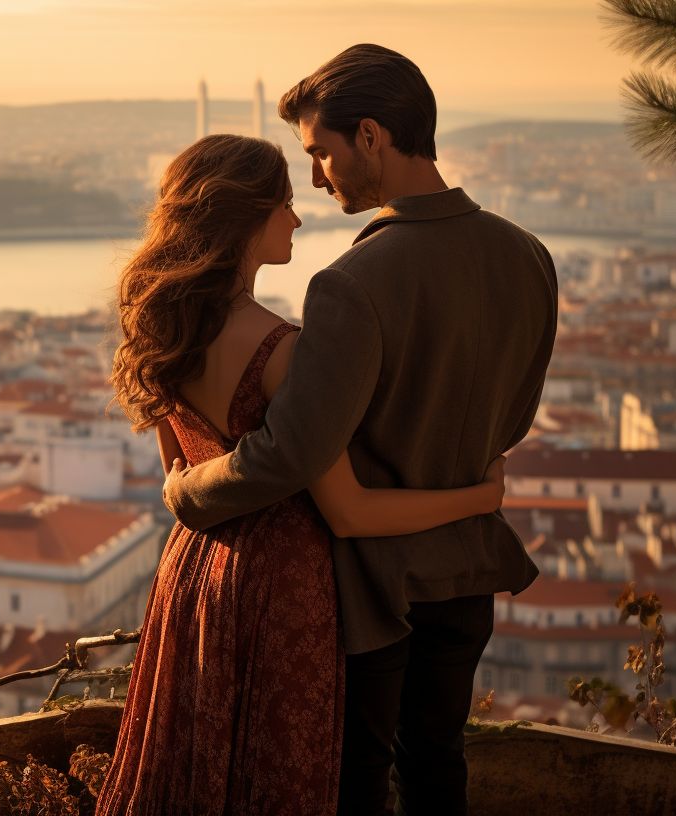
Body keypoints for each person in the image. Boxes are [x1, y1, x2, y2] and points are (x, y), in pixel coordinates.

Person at [161, 46, 557, 815]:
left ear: (370, 136)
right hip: (470, 573)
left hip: (375, 589)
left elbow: (291, 453)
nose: (315, 178)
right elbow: (515, 416)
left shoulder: (353, 282)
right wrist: (473, 489)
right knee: (439, 767)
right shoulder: (529, 256)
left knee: (356, 785)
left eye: (321, 153)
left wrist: (189, 494)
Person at [95, 132, 508, 816]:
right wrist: (480, 495)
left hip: (192, 573)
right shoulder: (284, 352)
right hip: (283, 587)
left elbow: (179, 474)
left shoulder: (159, 327)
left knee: (196, 769)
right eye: (284, 204)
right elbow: (351, 512)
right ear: (244, 218)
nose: (297, 217)